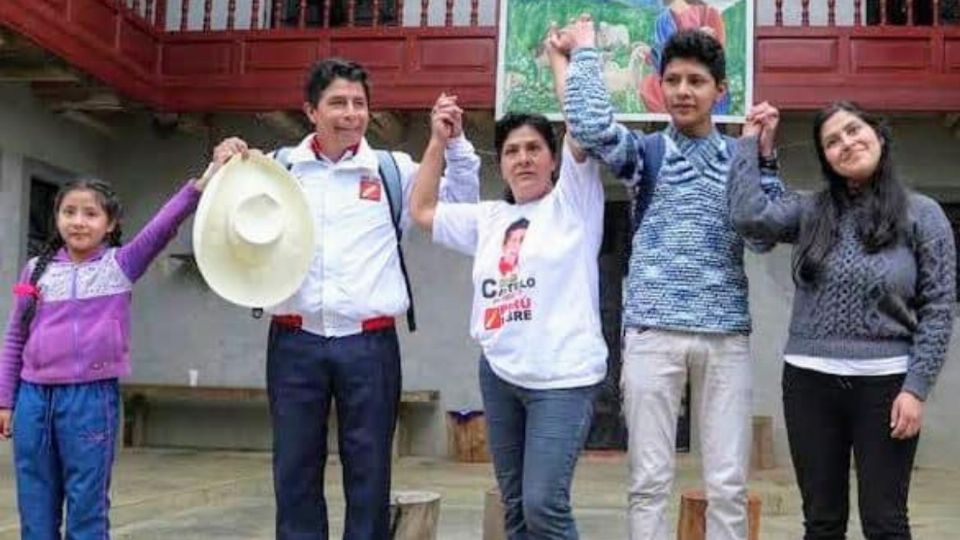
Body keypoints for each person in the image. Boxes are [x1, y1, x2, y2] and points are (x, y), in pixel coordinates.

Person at [211, 58, 480, 539]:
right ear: (310, 110)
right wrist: (222, 162)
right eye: (337, 102)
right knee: (294, 470)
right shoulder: (278, 169)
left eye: (359, 103)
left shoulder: (392, 171)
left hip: (370, 346)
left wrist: (451, 142)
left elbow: (458, 202)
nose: (350, 113)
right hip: (294, 341)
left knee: (370, 472)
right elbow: (222, 217)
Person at [559, 18, 785, 540]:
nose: (684, 91)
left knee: (728, 483)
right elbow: (591, 129)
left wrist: (764, 158)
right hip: (652, 334)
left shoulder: (740, 159)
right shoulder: (647, 155)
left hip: (725, 335)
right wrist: (587, 51)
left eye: (697, 81)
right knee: (648, 480)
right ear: (660, 86)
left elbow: (762, 237)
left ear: (720, 91)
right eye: (674, 80)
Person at [409, 30, 607, 537]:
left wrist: (563, 59)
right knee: (515, 509)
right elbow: (423, 209)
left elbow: (581, 125)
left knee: (544, 506)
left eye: (535, 148)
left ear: (554, 158)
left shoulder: (574, 203)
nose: (523, 157)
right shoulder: (490, 218)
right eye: (513, 150)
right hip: (499, 373)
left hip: (562, 381)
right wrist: (438, 140)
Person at [728, 100, 956, 539]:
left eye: (853, 130)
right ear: (827, 159)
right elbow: (750, 219)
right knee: (822, 522)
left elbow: (938, 307)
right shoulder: (812, 211)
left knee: (886, 523)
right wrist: (751, 146)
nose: (846, 143)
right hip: (809, 382)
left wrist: (917, 388)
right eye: (832, 141)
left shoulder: (923, 214)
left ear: (879, 135)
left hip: (887, 387)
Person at [0, 170, 214, 538]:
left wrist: (204, 181)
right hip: (33, 400)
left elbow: (162, 226)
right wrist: (6, 400)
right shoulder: (36, 271)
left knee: (87, 506)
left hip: (89, 401)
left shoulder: (119, 267)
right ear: (57, 217)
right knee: (35, 502)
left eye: (90, 214)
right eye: (69, 212)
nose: (78, 222)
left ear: (110, 223)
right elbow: (15, 337)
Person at [640, 0, 730, 114]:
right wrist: (650, 54)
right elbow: (660, 52)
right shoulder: (662, 20)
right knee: (648, 86)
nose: (682, 91)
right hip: (671, 69)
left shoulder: (707, 12)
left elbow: (717, 48)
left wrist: (705, 39)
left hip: (701, 67)